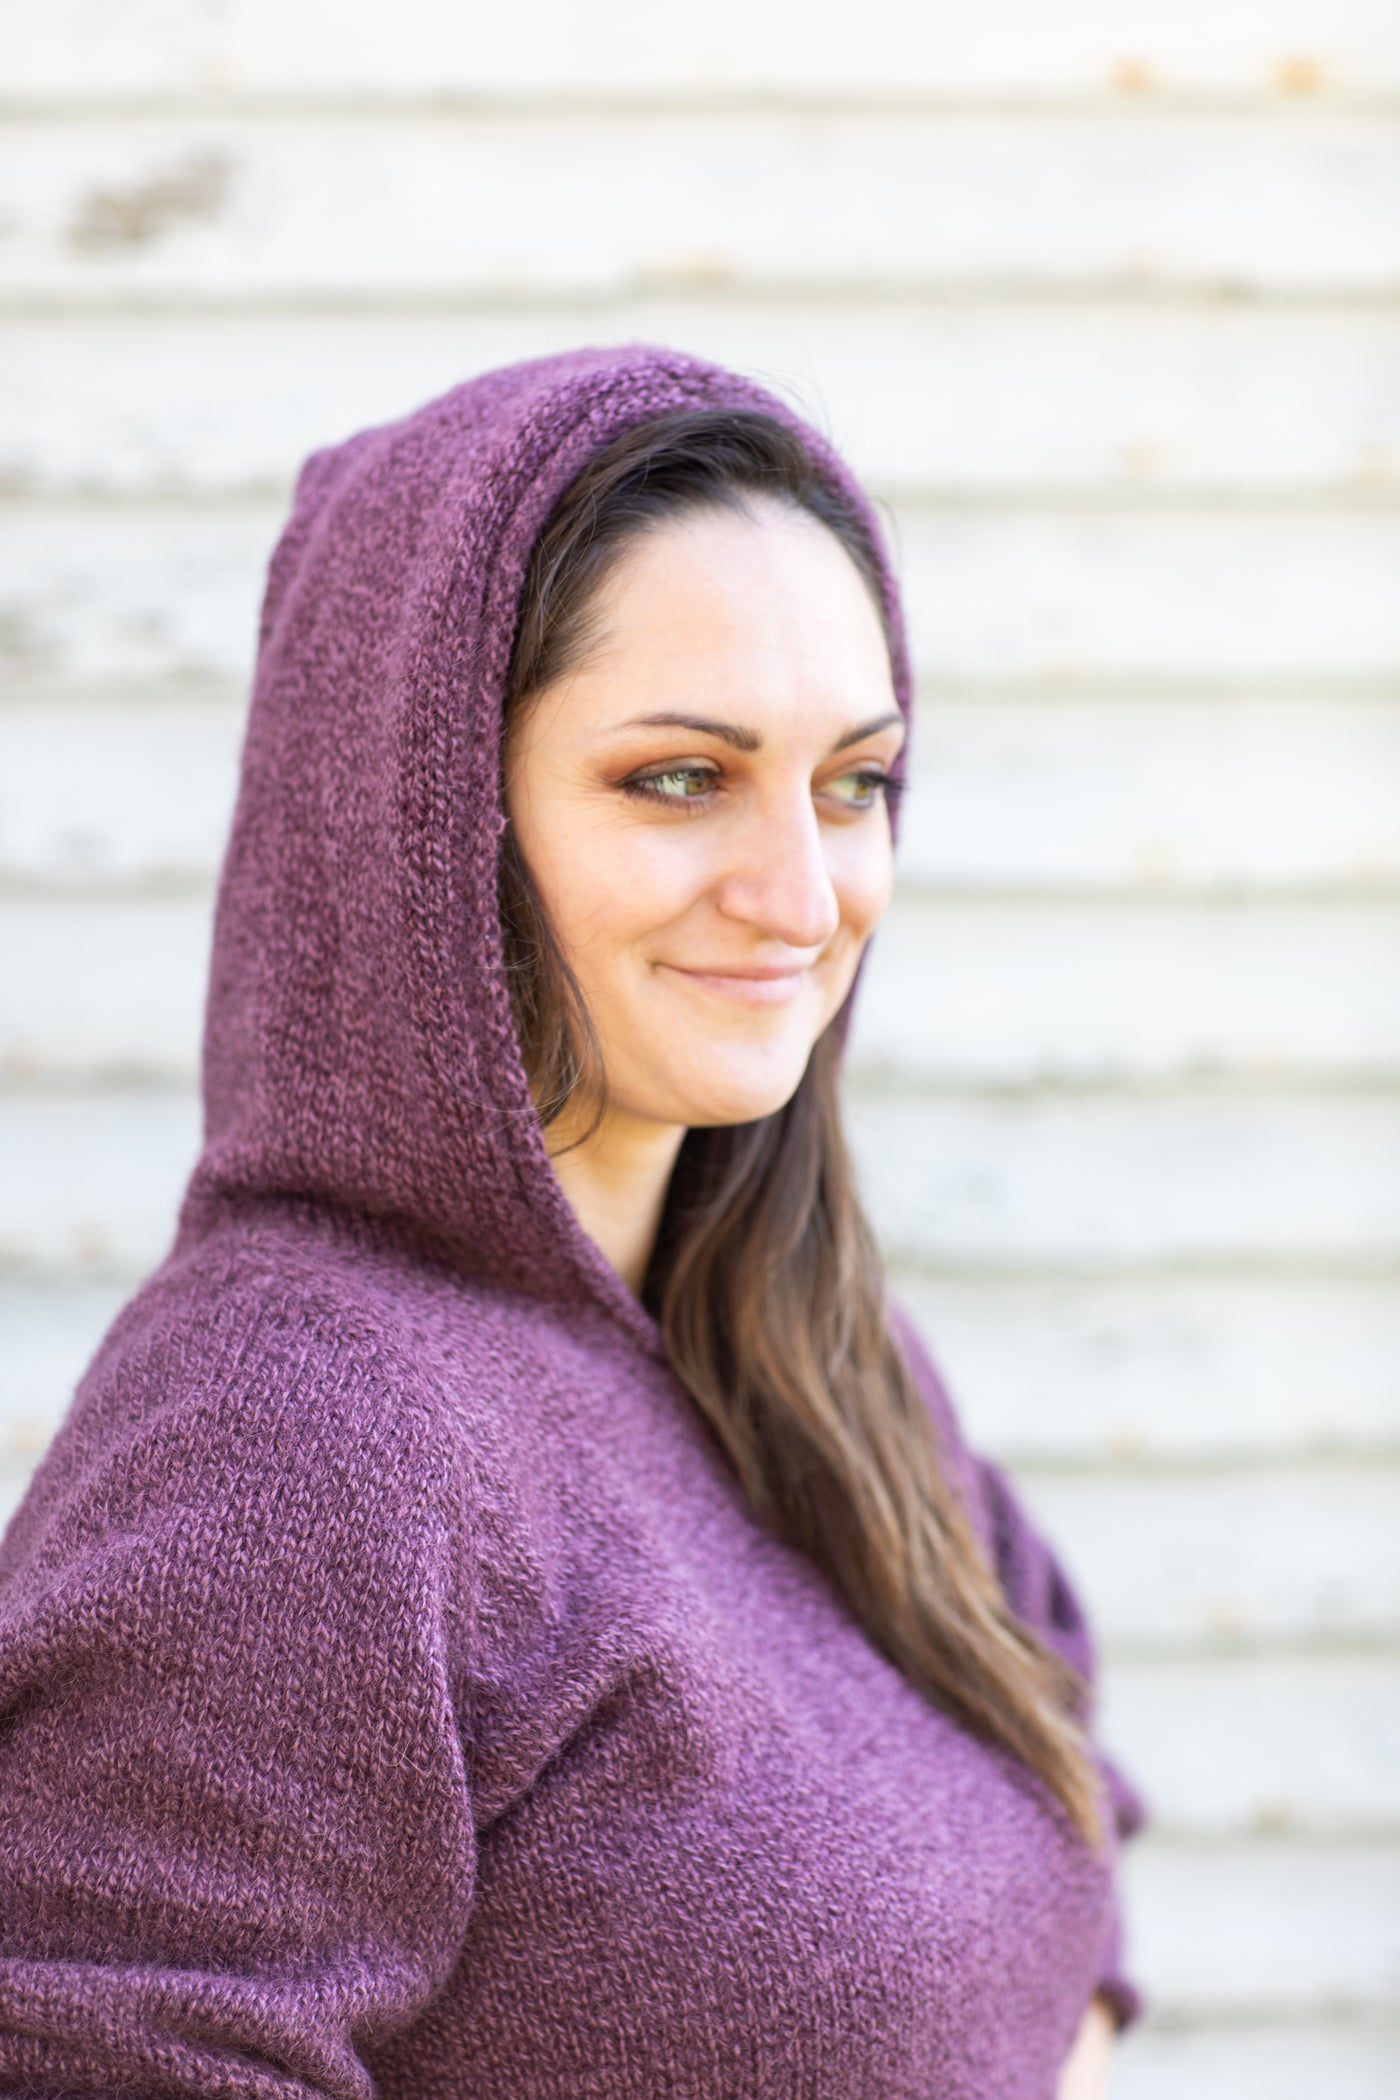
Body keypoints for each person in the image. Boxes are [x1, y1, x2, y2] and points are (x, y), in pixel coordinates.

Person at [0, 345, 1145, 2098]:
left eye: (855, 783)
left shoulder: (803, 1340)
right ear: (429, 820)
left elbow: (1057, 1860)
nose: (801, 894)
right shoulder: (297, 1427)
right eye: (679, 778)